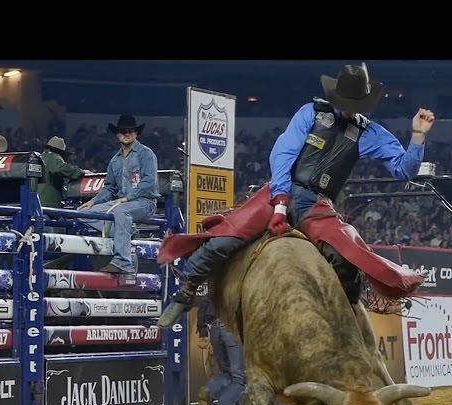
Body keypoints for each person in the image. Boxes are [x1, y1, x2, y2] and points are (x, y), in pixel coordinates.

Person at [158, 63, 434, 327]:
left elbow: (403, 170)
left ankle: (347, 316)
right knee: (224, 239)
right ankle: (186, 292)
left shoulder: (369, 133)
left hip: (316, 203)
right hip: (283, 189)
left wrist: (418, 138)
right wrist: (280, 201)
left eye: (354, 105)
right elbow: (283, 154)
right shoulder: (310, 113)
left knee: (344, 257)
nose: (348, 110)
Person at [77, 115, 159, 273]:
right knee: (82, 213)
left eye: (130, 131)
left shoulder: (146, 154)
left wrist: (127, 198)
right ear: (117, 134)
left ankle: (123, 262)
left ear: (136, 133)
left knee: (121, 211)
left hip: (145, 203)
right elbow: (109, 188)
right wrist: (94, 201)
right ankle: (127, 229)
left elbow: (149, 182)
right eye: (123, 131)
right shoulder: (115, 160)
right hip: (122, 204)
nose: (126, 134)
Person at [196, 296, 246, 405]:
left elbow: (204, 301)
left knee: (227, 373)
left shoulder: (216, 278)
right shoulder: (239, 279)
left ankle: (209, 390)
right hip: (231, 326)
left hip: (214, 327)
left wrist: (203, 331)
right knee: (238, 380)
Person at [38, 136, 88, 208]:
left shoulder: (41, 157)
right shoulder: (53, 157)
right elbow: (61, 168)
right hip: (48, 203)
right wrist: (80, 172)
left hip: (37, 203)